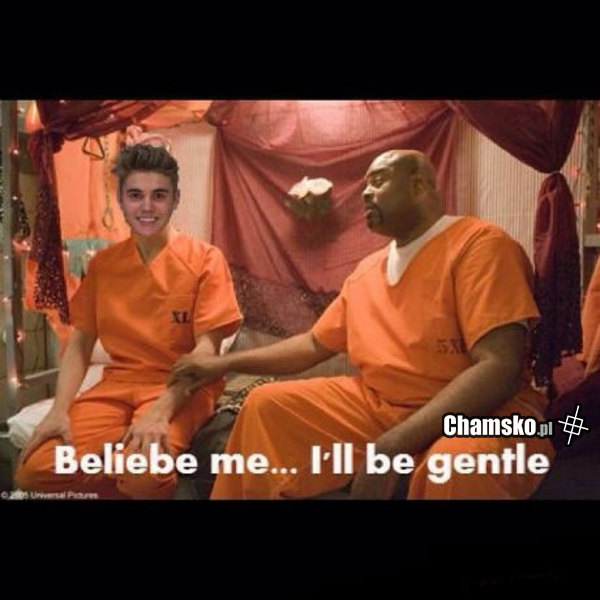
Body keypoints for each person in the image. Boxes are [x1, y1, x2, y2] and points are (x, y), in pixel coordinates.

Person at [169, 149, 555, 500]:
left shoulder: (479, 244)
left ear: (419, 185)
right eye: (365, 185)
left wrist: (391, 447)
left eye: (378, 181)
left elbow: (499, 367)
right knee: (266, 405)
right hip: (383, 407)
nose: (366, 193)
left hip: (487, 415)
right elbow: (312, 345)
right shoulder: (368, 270)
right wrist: (220, 364)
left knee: (455, 465)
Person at [15, 143, 242, 499]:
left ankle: (133, 474)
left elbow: (207, 353)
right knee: (35, 471)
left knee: (142, 476)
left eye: (159, 195)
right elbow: (80, 344)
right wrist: (58, 410)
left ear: (176, 199)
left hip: (182, 388)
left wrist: (161, 410)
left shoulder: (205, 260)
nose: (147, 207)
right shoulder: (104, 265)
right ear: (121, 200)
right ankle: (122, 469)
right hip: (117, 385)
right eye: (135, 195)